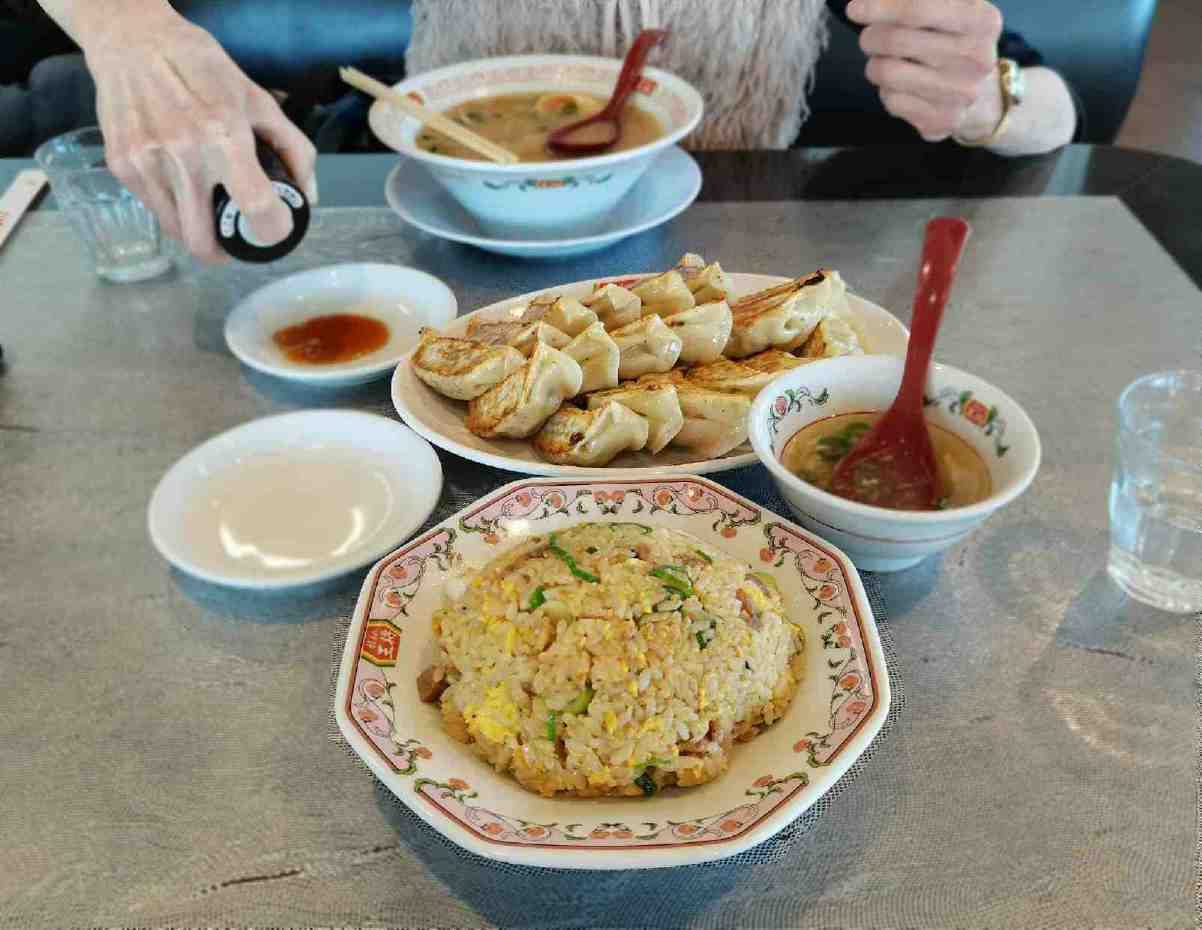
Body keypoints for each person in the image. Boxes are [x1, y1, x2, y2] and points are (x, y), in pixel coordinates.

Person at [28, 0, 1078, 263]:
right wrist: (125, 27)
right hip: (450, 243)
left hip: (730, 256)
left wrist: (984, 97)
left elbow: (1048, 104)